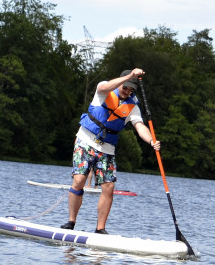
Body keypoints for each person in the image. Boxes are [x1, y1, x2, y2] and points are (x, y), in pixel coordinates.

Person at [60, 68, 160, 234]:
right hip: (85, 141)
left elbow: (140, 126)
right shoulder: (104, 90)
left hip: (107, 149)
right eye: (125, 87)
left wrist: (151, 141)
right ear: (120, 83)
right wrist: (130, 76)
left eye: (131, 90)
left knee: (108, 187)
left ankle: (100, 229)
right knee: (79, 181)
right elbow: (104, 87)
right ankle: (71, 221)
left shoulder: (133, 107)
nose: (127, 91)